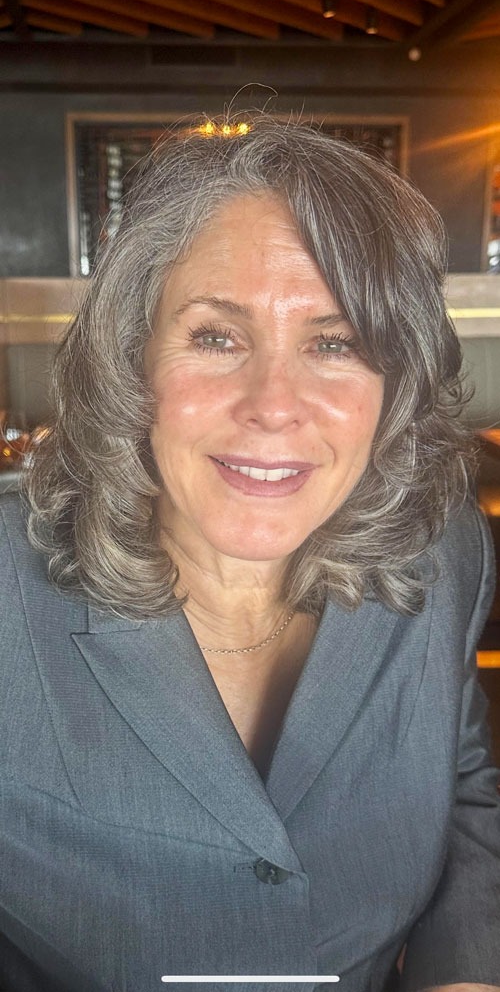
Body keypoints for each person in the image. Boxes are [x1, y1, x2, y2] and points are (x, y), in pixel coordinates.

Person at [0, 115, 499, 992]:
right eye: (216, 336)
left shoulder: (440, 550)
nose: (274, 403)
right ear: (133, 356)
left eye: (335, 342)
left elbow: (461, 787)